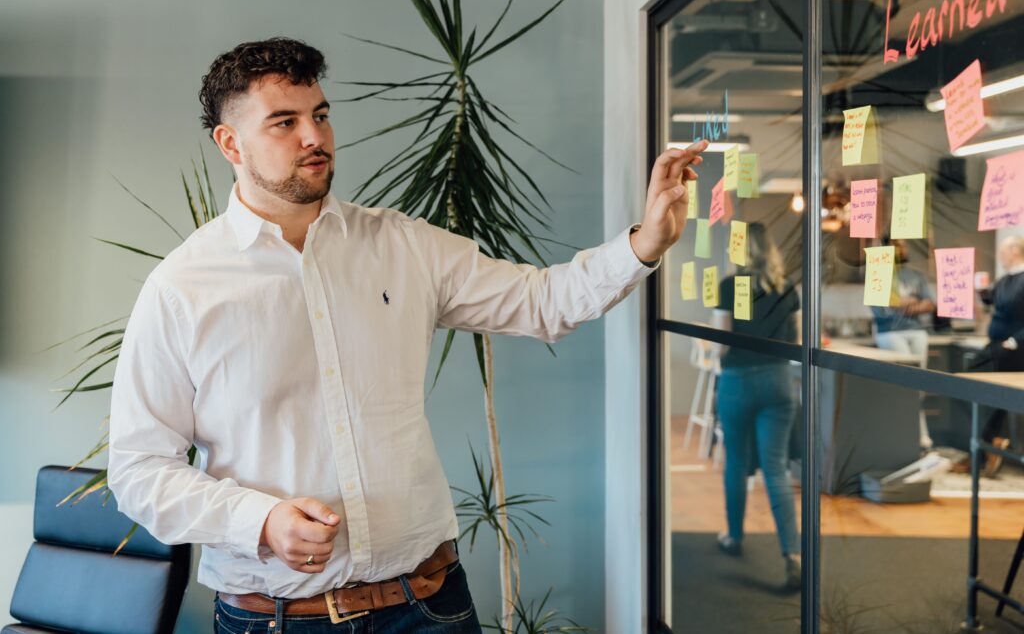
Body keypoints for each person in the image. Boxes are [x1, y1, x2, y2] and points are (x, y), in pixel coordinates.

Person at [105, 37, 707, 634]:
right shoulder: (181, 288)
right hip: (275, 619)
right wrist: (258, 521)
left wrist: (644, 243)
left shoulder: (403, 245)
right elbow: (139, 470)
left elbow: (542, 301)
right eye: (284, 122)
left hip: (428, 606)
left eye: (320, 115)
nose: (314, 137)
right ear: (231, 143)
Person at [711, 222, 801, 592]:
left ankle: (734, 537)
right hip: (778, 381)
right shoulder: (786, 289)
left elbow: (720, 343)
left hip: (738, 382)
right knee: (775, 469)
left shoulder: (729, 286)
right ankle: (792, 554)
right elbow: (796, 339)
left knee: (736, 462)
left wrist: (716, 356)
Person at [869, 236, 936, 449]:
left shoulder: (916, 275)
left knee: (919, 385)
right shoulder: (878, 274)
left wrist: (901, 304)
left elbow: (929, 304)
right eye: (899, 245)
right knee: (906, 385)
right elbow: (881, 307)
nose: (903, 249)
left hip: (917, 332)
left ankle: (919, 436)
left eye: (905, 245)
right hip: (890, 333)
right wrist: (910, 302)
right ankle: (914, 436)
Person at [974, 235, 1024, 476]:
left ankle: (988, 448)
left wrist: (1015, 341)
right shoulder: (1004, 280)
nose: (1000, 256)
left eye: (1003, 252)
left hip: (1015, 349)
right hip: (996, 345)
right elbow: (991, 299)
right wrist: (980, 290)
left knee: (998, 398)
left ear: (1015, 251)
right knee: (980, 390)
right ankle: (988, 445)